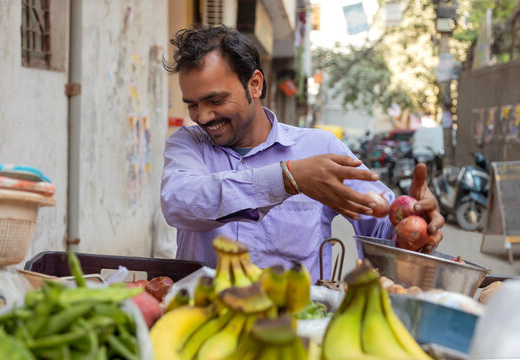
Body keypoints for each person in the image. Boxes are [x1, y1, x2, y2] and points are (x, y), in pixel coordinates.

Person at [160, 25, 444, 282]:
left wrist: (412, 227)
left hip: (299, 327)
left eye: (215, 100)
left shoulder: (321, 149)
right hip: (205, 320)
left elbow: (381, 227)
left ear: (255, 84)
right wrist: (287, 179)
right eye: (192, 105)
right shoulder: (188, 145)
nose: (203, 115)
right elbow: (179, 202)